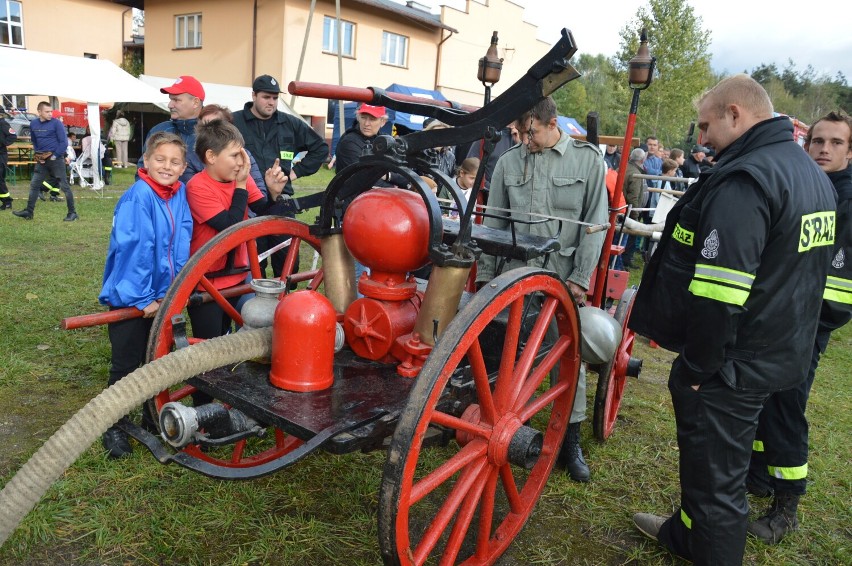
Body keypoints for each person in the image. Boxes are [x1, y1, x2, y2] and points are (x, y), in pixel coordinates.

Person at [629, 75, 836, 565]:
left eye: (706, 126)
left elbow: (719, 294)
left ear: (735, 114)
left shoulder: (747, 179)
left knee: (719, 487)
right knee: (713, 470)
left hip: (732, 364)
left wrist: (700, 368)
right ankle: (685, 536)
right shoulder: (812, 176)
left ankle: (709, 547)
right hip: (778, 352)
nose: (701, 140)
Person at [475, 96, 608, 483]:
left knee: (569, 357)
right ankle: (506, 429)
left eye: (530, 132)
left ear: (553, 125)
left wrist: (580, 278)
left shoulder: (587, 161)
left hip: (560, 281)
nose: (525, 140)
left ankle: (570, 439)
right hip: (513, 276)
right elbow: (492, 223)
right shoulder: (508, 162)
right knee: (505, 356)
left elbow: (595, 224)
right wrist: (486, 277)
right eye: (520, 133)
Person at [746, 111, 852, 544]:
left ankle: (786, 506)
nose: (824, 149)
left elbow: (840, 293)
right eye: (817, 141)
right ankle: (759, 476)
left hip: (804, 329)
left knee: (785, 408)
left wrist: (804, 322)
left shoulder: (846, 201)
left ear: (850, 150)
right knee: (762, 401)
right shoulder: (813, 188)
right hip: (780, 321)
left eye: (836, 143)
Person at [98, 132, 193, 458]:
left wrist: (171, 292)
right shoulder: (139, 197)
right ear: (147, 161)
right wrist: (142, 299)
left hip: (163, 298)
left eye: (175, 162)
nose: (167, 166)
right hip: (131, 298)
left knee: (156, 361)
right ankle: (113, 425)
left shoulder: (178, 195)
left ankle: (151, 417)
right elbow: (133, 252)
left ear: (183, 168)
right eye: (161, 159)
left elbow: (182, 245)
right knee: (125, 365)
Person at [185, 120, 287, 343]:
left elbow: (263, 211)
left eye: (243, 154)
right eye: (235, 155)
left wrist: (273, 193)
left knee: (243, 336)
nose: (243, 161)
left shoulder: (240, 178)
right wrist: (240, 186)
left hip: (239, 277)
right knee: (210, 345)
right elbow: (230, 227)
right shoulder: (197, 186)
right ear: (211, 157)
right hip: (207, 281)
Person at [232, 74, 327, 277]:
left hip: (281, 202)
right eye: (266, 97)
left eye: (275, 98)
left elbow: (320, 149)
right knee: (253, 262)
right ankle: (256, 302)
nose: (272, 102)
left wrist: (293, 174)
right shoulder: (234, 122)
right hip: (248, 203)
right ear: (254, 95)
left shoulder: (289, 123)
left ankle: (285, 301)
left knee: (287, 263)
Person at [13, 102, 78, 221]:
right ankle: (29, 211)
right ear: (39, 112)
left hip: (55, 159)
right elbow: (35, 141)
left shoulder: (56, 123)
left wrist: (55, 156)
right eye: (47, 111)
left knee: (64, 186)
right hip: (41, 160)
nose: (50, 114)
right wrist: (39, 155)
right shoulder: (34, 124)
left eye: (51, 111)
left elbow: (63, 143)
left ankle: (72, 213)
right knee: (34, 185)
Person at [138, 75, 206, 184]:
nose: (170, 105)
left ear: (195, 102)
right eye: (170, 99)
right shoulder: (159, 130)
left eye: (176, 100)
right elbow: (142, 171)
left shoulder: (213, 134)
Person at [620, 147, 646, 270]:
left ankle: (620, 263)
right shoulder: (635, 174)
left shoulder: (623, 168)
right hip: (628, 211)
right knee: (625, 239)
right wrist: (635, 214)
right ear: (642, 160)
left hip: (620, 208)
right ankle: (622, 263)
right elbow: (633, 196)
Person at [0, 113, 17, 210]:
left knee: (0, 180)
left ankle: (7, 201)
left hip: (1, 155)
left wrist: (2, 143)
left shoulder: (3, 124)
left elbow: (13, 136)